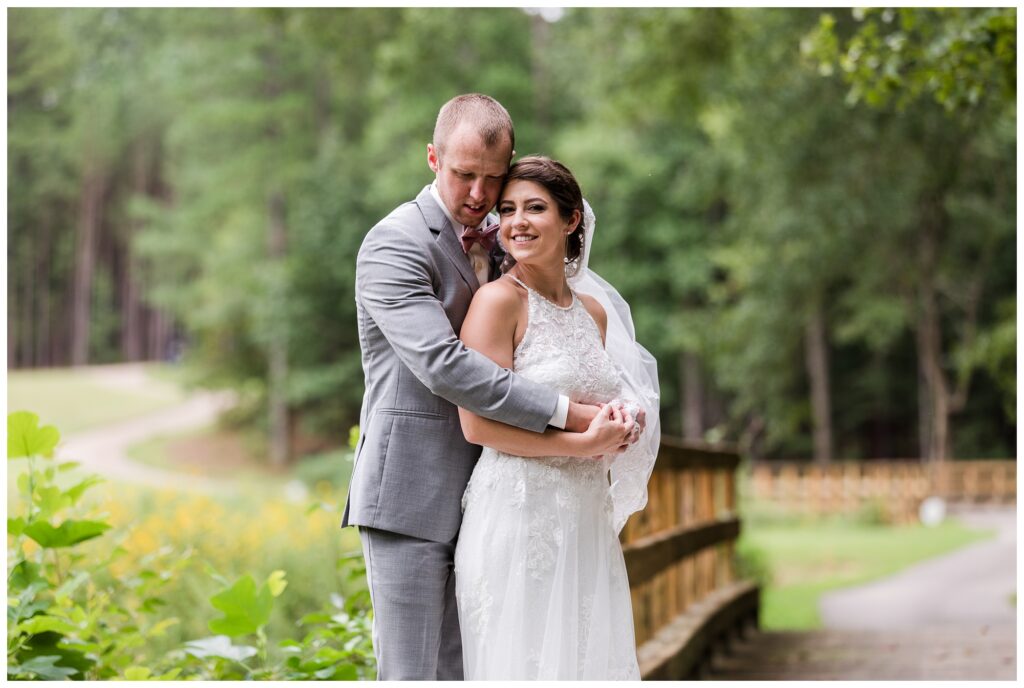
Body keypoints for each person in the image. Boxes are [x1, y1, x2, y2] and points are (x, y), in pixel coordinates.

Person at [341, 94, 638, 681]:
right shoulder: (394, 243)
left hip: (496, 498)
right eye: (463, 175)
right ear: (432, 158)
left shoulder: (506, 245)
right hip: (413, 495)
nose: (478, 195)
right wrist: (572, 416)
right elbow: (444, 365)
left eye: (491, 178)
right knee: (413, 674)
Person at [454, 156, 660, 680]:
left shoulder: (593, 312)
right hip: (520, 513)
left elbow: (614, 395)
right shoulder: (497, 303)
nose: (517, 221)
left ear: (571, 221)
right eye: (508, 210)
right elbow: (476, 426)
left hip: (584, 518)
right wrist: (583, 444)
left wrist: (623, 422)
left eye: (535, 208)